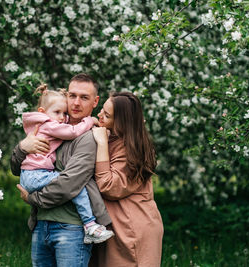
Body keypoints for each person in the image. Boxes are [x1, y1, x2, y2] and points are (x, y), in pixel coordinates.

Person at [11, 73, 112, 267]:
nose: (75, 103)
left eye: (84, 97)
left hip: (70, 228)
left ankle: (91, 225)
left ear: (95, 101)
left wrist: (32, 199)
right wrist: (23, 148)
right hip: (42, 224)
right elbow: (17, 169)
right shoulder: (54, 127)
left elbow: (68, 184)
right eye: (72, 95)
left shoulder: (88, 137)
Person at [89, 91, 164, 267]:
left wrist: (101, 143)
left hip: (132, 230)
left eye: (106, 115)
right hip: (120, 226)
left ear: (120, 124)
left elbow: (109, 186)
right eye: (102, 110)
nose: (99, 115)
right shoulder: (115, 138)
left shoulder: (130, 149)